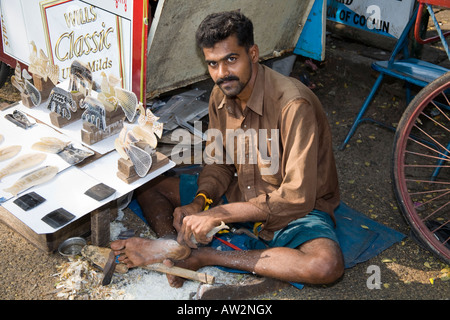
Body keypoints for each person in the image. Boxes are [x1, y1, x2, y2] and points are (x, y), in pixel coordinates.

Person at [111, 11, 344, 288]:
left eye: (231, 59)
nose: (221, 74)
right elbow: (219, 162)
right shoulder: (221, 94)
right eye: (212, 64)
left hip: (294, 209)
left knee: (325, 265)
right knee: (149, 186)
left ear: (253, 54)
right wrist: (200, 204)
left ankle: (205, 255)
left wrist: (218, 215)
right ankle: (174, 247)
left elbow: (296, 197)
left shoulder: (293, 105)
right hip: (242, 192)